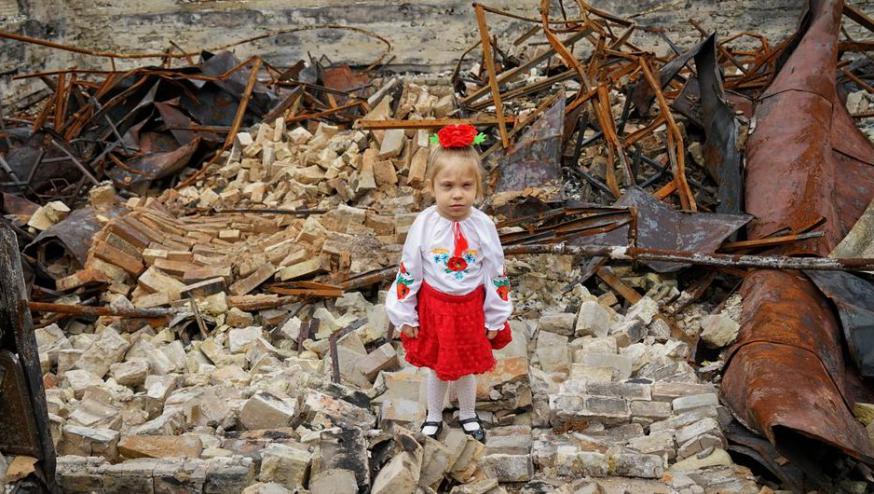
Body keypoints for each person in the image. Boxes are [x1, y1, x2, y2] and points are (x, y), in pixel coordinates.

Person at [385, 124, 513, 443]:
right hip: (435, 308)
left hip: (469, 308)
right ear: (432, 187)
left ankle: (468, 414)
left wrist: (495, 316)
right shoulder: (425, 224)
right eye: (448, 185)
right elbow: (409, 269)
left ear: (478, 188)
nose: (457, 194)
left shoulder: (483, 226)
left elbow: (495, 272)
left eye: (466, 185)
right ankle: (433, 414)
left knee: (466, 365)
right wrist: (405, 316)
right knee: (438, 367)